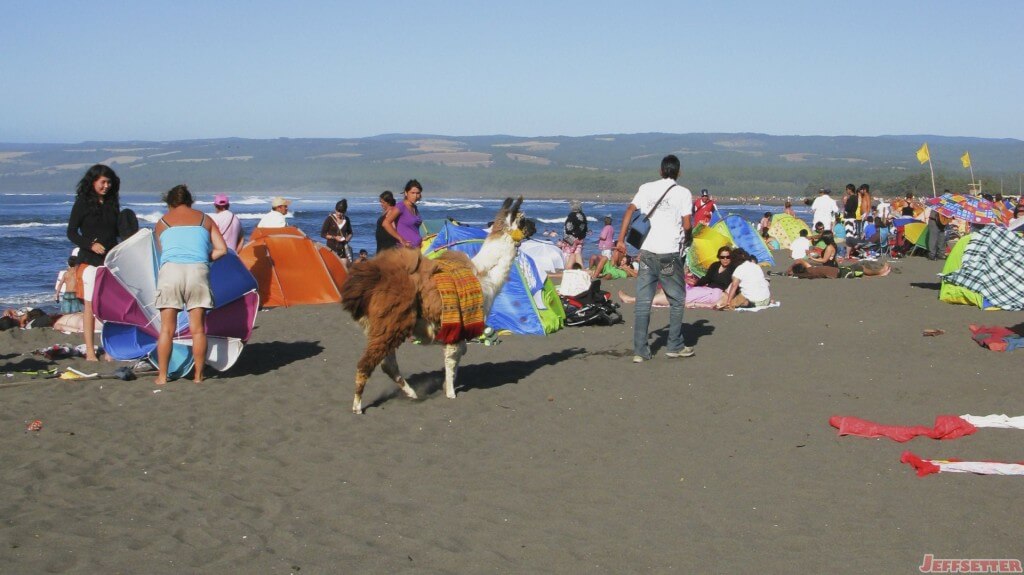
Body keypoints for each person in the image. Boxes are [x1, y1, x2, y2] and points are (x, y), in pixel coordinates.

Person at [614, 154, 693, 363]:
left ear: (660, 170)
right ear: (678, 172)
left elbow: (629, 210)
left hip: (647, 253)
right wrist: (689, 239)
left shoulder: (646, 187)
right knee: (677, 300)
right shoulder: (683, 193)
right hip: (670, 254)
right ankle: (674, 345)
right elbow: (687, 225)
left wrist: (621, 240)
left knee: (643, 301)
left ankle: (640, 351)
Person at [153, 185, 228, 385]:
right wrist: (204, 258)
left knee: (167, 330)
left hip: (171, 272)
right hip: (197, 271)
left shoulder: (162, 223)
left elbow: (163, 252)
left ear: (169, 203)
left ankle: (162, 376)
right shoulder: (205, 219)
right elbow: (222, 249)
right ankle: (198, 376)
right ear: (190, 201)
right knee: (198, 330)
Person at [66, 164, 122, 361]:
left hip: (109, 261)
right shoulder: (82, 203)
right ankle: (90, 351)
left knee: (108, 308)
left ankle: (109, 349)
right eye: (103, 182)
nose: (106, 186)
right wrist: (90, 245)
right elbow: (71, 232)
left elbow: (118, 233)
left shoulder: (112, 204)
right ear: (93, 182)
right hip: (89, 261)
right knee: (90, 307)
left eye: (109, 182)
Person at [382, 179, 423, 249]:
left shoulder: (414, 207)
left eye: (417, 193)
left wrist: (420, 238)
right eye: (412, 193)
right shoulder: (401, 206)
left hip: (416, 248)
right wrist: (401, 240)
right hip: (404, 250)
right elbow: (385, 223)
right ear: (406, 193)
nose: (415, 196)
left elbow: (413, 229)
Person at [321, 199, 353, 265]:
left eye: (341, 212)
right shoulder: (330, 218)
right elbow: (322, 234)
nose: (339, 213)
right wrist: (335, 237)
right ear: (335, 209)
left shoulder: (346, 219)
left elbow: (350, 233)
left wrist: (347, 240)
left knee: (343, 269)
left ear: (345, 212)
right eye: (337, 211)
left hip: (342, 249)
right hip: (331, 248)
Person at [562, 199, 588, 269]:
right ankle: (581, 271)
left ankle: (568, 271)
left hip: (571, 240)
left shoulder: (571, 215)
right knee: (578, 255)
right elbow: (585, 229)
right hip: (580, 239)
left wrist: (567, 238)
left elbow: (568, 228)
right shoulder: (583, 215)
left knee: (569, 256)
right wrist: (580, 237)